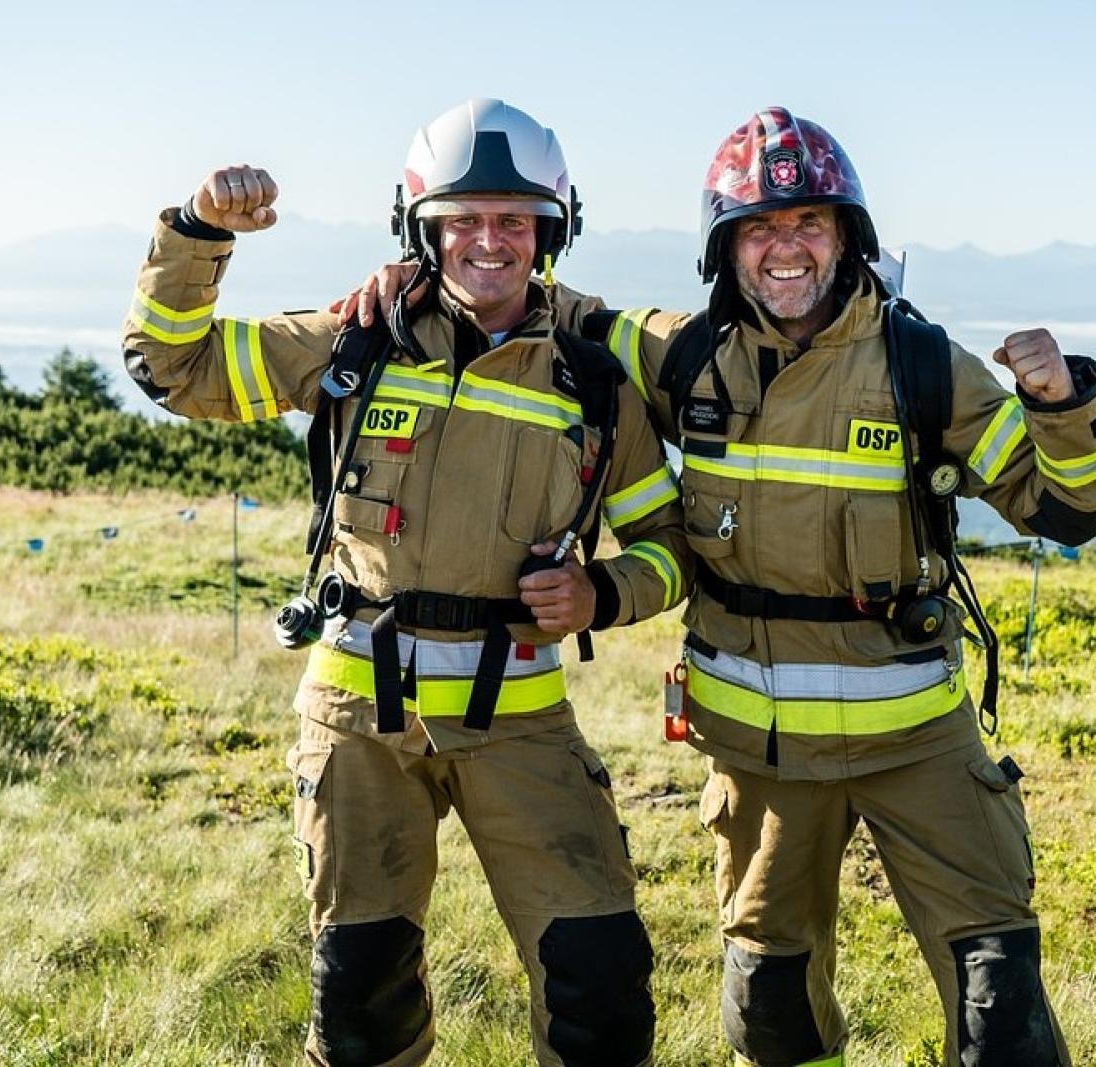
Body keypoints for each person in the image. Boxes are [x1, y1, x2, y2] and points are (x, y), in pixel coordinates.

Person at [347, 106, 1096, 1066]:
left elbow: (1069, 510)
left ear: (849, 239)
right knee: (771, 1014)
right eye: (760, 227)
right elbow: (528, 295)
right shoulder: (684, 354)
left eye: (809, 224)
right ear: (727, 248)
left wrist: (1064, 406)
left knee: (999, 1011)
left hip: (921, 746)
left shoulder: (924, 369)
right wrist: (416, 276)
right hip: (759, 764)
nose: (785, 249)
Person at [123, 98, 690, 1067]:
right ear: (419, 228)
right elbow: (172, 366)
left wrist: (604, 594)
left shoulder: (595, 379)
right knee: (361, 1005)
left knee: (601, 990)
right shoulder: (355, 338)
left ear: (550, 230)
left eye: (513, 219)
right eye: (461, 219)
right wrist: (197, 232)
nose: (487, 241)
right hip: (356, 724)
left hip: (521, 722)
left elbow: (665, 542)